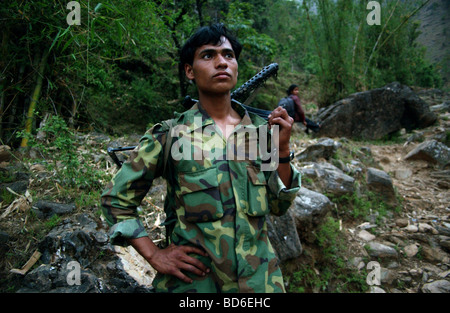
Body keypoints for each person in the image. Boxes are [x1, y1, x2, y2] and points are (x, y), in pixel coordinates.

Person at [101, 23, 301, 293]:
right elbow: (117, 201)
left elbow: (278, 205)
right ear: (189, 71)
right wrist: (155, 255)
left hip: (261, 284)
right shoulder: (170, 135)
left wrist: (283, 148)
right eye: (208, 55)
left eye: (228, 55)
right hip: (196, 287)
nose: (222, 62)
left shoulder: (258, 133)